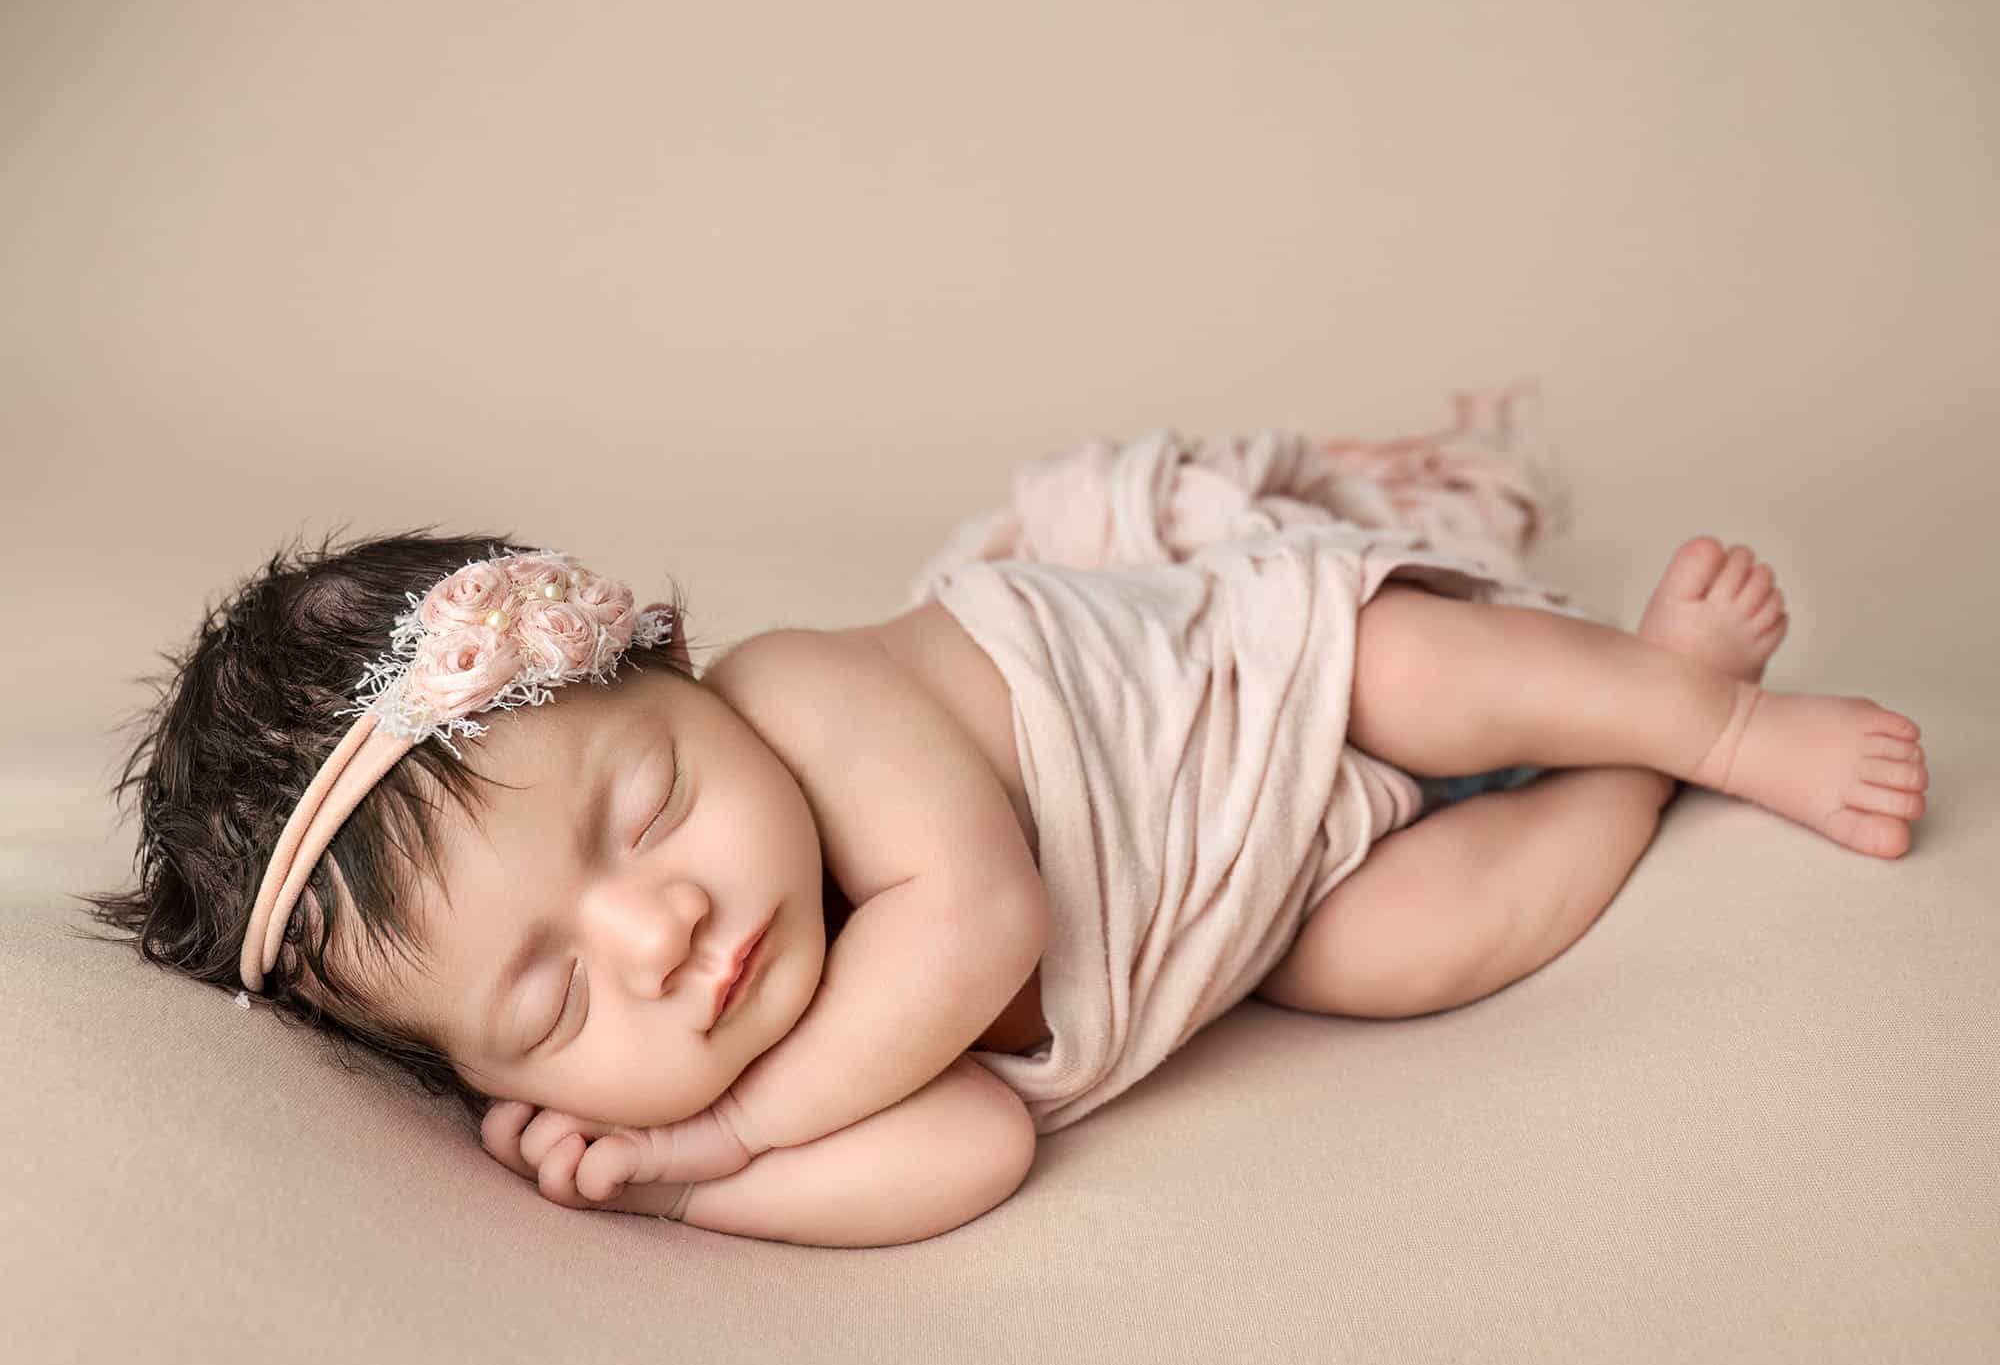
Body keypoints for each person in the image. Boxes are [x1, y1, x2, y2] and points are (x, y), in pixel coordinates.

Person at [77, 521, 1926, 1245]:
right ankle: (1637, 773)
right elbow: (969, 1148)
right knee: (1403, 954)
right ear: (498, 1088)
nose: (660, 931)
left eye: (651, 805)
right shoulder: (737, 1082)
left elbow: (982, 921)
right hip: (1259, 907)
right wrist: (687, 1187)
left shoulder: (806, 694)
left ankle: (1706, 713)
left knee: (1416, 671)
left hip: (1247, 683)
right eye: (552, 1003)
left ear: (681, 675)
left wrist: (724, 1132)